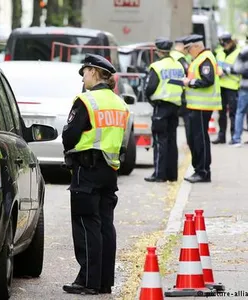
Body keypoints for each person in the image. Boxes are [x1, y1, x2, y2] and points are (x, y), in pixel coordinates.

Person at [62, 53, 128, 295]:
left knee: (86, 223)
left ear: (92, 72)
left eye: (85, 72)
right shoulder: (120, 103)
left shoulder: (86, 100)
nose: (84, 77)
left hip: (86, 170)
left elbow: (69, 135)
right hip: (109, 170)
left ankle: (88, 281)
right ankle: (103, 282)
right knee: (105, 226)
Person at [182, 34, 222, 183]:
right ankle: (199, 170)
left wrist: (189, 82)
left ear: (197, 46)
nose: (187, 51)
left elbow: (208, 80)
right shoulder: (199, 58)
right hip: (196, 105)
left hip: (202, 106)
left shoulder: (205, 59)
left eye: (189, 48)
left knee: (200, 139)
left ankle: (203, 171)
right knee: (195, 138)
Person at [144, 38, 184, 182]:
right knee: (172, 140)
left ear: (158, 51)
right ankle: (172, 175)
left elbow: (150, 87)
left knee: (160, 140)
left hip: (161, 106)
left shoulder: (157, 66)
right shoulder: (178, 65)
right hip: (175, 106)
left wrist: (149, 97)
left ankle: (159, 174)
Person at [212, 33, 241, 144]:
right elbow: (215, 66)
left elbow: (241, 69)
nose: (224, 46)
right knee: (221, 113)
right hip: (221, 86)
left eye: (225, 43)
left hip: (233, 87)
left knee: (233, 113)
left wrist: (226, 71)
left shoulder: (239, 53)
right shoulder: (219, 53)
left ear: (230, 42)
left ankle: (234, 136)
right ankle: (221, 136)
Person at [171, 36, 191, 150]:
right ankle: (189, 142)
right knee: (187, 119)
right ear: (182, 46)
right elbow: (186, 75)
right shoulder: (181, 59)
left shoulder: (170, 57)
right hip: (181, 95)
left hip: (168, 96)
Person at [230, 45, 248, 146]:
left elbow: (236, 68)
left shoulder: (244, 51)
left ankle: (237, 139)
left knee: (240, 112)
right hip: (245, 87)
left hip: (245, 86)